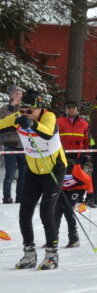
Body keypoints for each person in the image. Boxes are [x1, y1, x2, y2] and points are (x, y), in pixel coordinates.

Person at [0, 89, 68, 270]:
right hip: (34, 170)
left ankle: (52, 254)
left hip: (54, 169)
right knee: (24, 213)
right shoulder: (19, 118)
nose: (24, 114)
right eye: (22, 111)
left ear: (40, 109)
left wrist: (30, 123)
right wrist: (20, 118)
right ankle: (29, 253)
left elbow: (47, 132)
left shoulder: (49, 116)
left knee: (46, 211)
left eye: (29, 111)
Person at [55, 158, 92, 248]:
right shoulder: (52, 167)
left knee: (68, 210)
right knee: (56, 211)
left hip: (78, 188)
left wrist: (90, 195)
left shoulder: (73, 168)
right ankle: (53, 238)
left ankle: (74, 239)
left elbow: (88, 180)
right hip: (64, 189)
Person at [1, 85, 27, 203]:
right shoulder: (5, 108)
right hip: (10, 144)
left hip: (23, 145)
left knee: (23, 175)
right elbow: (3, 121)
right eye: (16, 94)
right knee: (10, 174)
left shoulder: (24, 109)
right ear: (11, 95)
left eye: (20, 94)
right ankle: (7, 197)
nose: (19, 96)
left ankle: (20, 197)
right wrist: (12, 107)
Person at [57, 100, 89, 166]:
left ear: (76, 108)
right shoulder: (58, 122)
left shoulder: (84, 123)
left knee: (78, 175)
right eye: (68, 107)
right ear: (65, 109)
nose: (71, 109)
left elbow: (86, 139)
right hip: (64, 154)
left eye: (73, 107)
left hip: (79, 155)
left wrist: (86, 152)